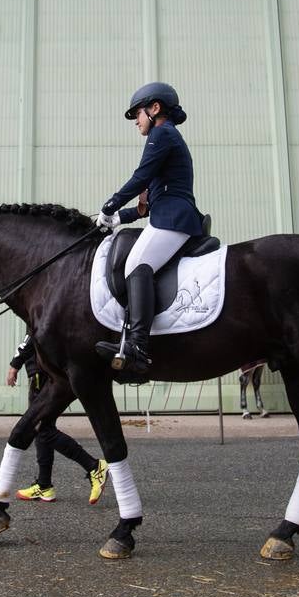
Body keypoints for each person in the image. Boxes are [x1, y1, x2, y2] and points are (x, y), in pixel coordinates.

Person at [92, 82, 204, 378]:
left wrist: (109, 204)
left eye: (138, 115)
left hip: (175, 219)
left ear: (155, 109)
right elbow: (152, 201)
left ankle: (138, 347)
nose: (137, 122)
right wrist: (118, 217)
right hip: (168, 214)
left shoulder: (162, 133)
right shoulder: (165, 136)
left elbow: (141, 177)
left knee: (135, 265)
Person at [7, 332, 110, 502]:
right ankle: (44, 485)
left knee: (40, 428)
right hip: (45, 371)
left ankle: (94, 466)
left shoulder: (36, 306)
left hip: (42, 372)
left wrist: (15, 364)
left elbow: (33, 334)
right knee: (42, 429)